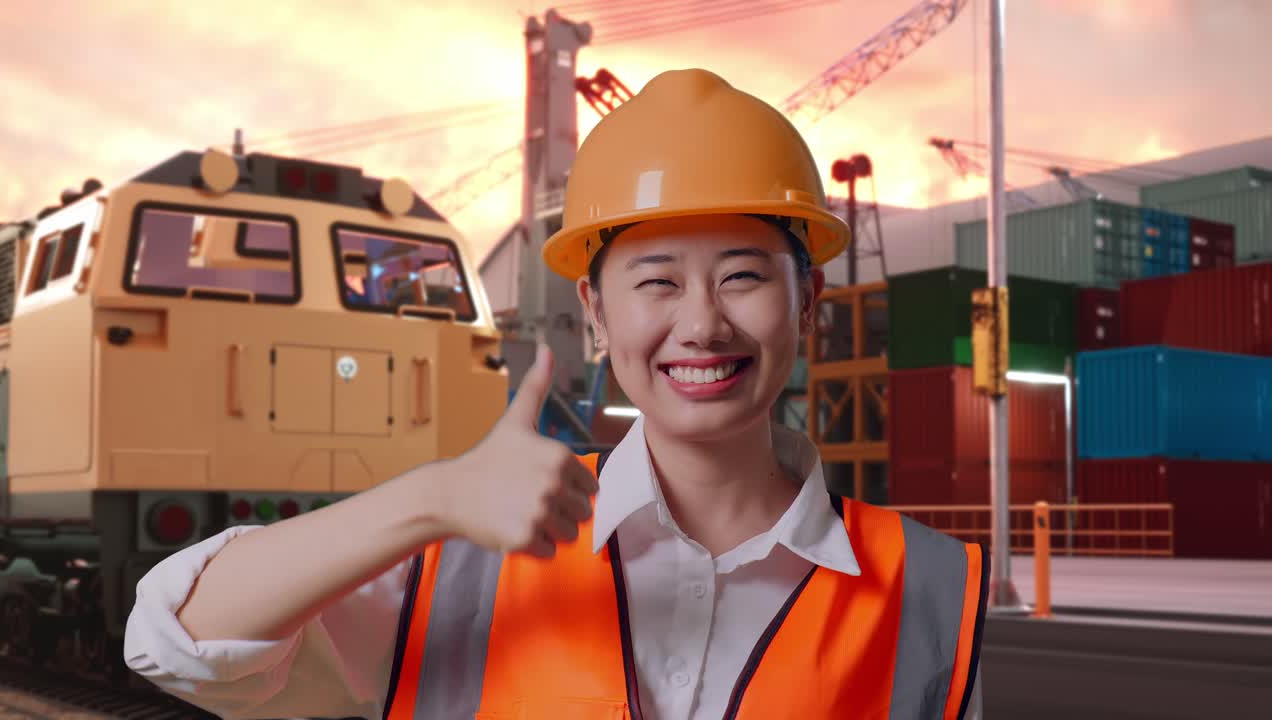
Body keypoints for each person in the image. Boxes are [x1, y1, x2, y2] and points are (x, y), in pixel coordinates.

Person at [124, 68, 985, 720]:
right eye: (656, 282)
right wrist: (432, 497)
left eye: (742, 276)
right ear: (595, 313)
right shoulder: (465, 560)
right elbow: (175, 638)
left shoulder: (934, 592)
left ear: (808, 303)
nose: (702, 325)